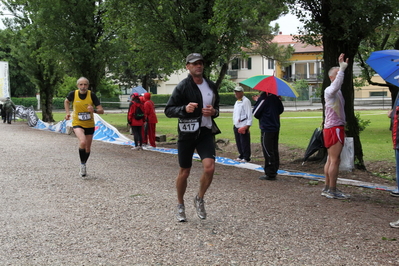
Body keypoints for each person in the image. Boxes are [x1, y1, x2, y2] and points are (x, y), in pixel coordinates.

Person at [164, 53, 220, 222]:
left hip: (205, 131)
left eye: (201, 63)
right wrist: (184, 109)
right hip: (187, 133)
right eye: (194, 63)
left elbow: (216, 108)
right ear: (187, 66)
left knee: (209, 168)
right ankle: (180, 205)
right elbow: (169, 110)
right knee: (184, 171)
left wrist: (214, 112)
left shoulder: (210, 85)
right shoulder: (182, 86)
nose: (198, 66)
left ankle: (199, 198)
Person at [321, 53, 350, 199]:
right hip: (334, 128)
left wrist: (341, 70)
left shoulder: (336, 92)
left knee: (330, 159)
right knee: (334, 160)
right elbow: (337, 84)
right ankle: (331, 189)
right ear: (332, 77)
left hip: (332, 128)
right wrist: (342, 69)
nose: (340, 77)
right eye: (337, 74)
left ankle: (327, 188)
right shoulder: (330, 90)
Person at [64, 77, 104, 177]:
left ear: (88, 86)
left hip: (89, 124)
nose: (83, 86)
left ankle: (84, 163)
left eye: (85, 84)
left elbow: (101, 111)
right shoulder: (73, 94)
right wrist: (68, 113)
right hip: (77, 122)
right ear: (78, 86)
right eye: (81, 84)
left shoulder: (92, 95)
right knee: (82, 141)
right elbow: (66, 101)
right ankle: (82, 165)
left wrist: (93, 110)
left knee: (87, 148)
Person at [252, 92, 284, 181]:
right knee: (274, 149)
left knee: (267, 150)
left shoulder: (264, 98)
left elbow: (255, 112)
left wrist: (258, 101)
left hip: (267, 127)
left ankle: (270, 173)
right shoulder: (276, 97)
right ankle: (274, 169)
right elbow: (281, 110)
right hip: (275, 126)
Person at [232, 86, 252, 162]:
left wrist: (247, 126)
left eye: (238, 92)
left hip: (243, 124)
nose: (236, 93)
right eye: (236, 92)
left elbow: (249, 114)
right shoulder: (237, 101)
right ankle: (241, 155)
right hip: (237, 124)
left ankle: (246, 157)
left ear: (242, 92)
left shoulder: (246, 101)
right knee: (238, 141)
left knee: (244, 142)